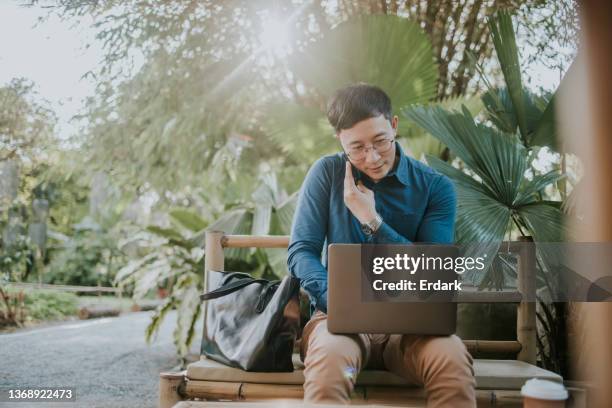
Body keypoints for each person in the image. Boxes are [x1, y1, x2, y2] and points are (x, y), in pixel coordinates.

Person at [287, 83, 476, 407]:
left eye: (380, 142)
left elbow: (431, 272)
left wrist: (373, 222)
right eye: (356, 148)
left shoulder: (435, 187)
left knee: (452, 360)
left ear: (394, 125)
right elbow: (301, 251)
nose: (371, 158)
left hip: (411, 328)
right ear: (340, 141)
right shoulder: (326, 173)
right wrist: (339, 303)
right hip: (338, 323)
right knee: (330, 362)